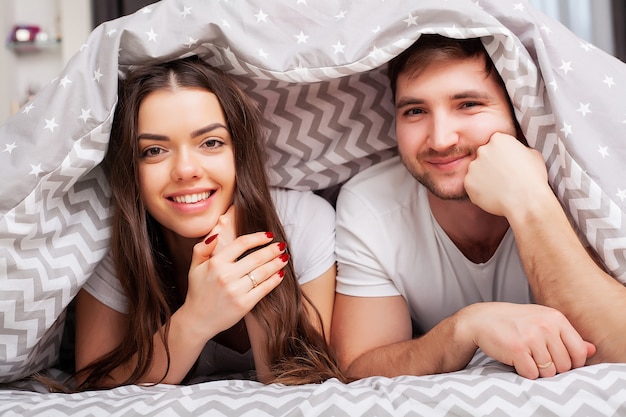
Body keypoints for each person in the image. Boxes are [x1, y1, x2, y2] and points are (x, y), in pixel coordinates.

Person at [331, 34, 626, 382]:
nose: (441, 139)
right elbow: (359, 366)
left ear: (519, 108)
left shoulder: (576, 184)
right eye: (415, 111)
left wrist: (529, 199)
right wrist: (465, 327)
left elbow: (618, 348)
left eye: (468, 104)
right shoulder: (370, 203)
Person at [72, 56, 345, 390]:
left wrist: (250, 280)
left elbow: (302, 388)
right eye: (155, 150)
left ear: (239, 153)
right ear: (131, 169)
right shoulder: (113, 241)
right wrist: (195, 319)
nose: (186, 170)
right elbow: (90, 386)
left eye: (211, 143)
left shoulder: (304, 222)